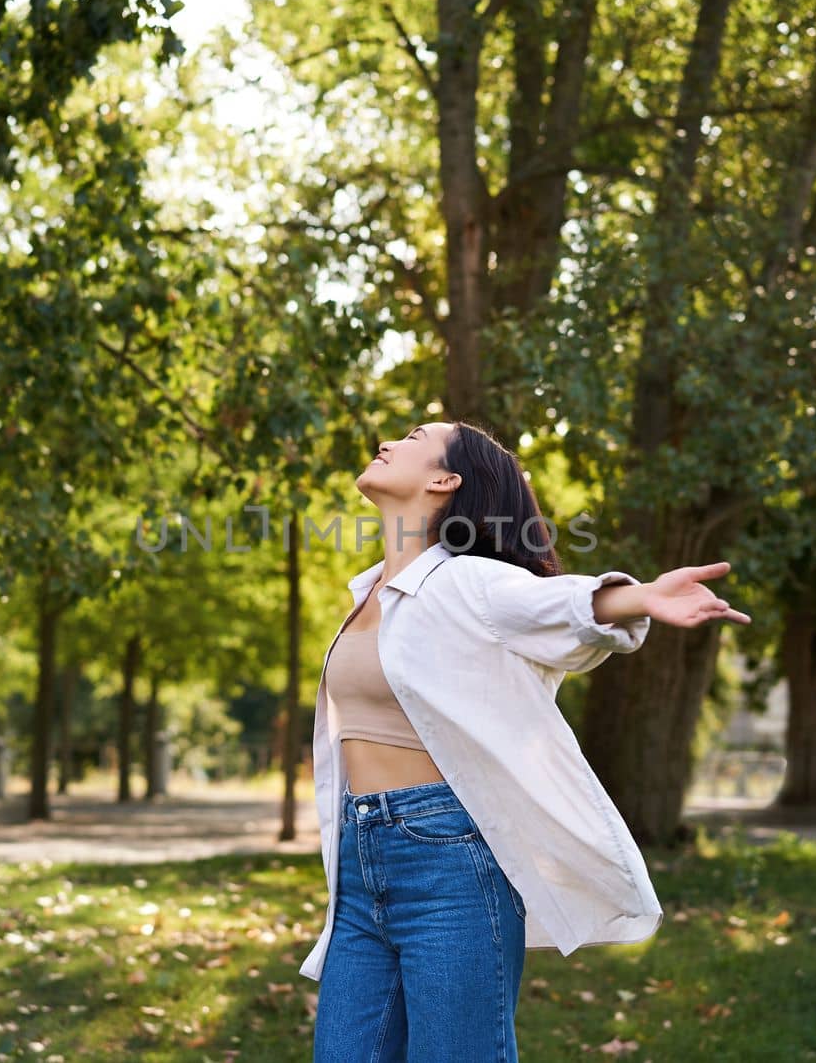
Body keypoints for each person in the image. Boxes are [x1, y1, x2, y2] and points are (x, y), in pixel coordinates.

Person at [307, 420, 750, 1063]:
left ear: (443, 480)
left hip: (448, 860)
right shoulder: (369, 590)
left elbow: (559, 605)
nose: (392, 438)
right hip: (359, 861)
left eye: (415, 435)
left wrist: (640, 598)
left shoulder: (467, 582)